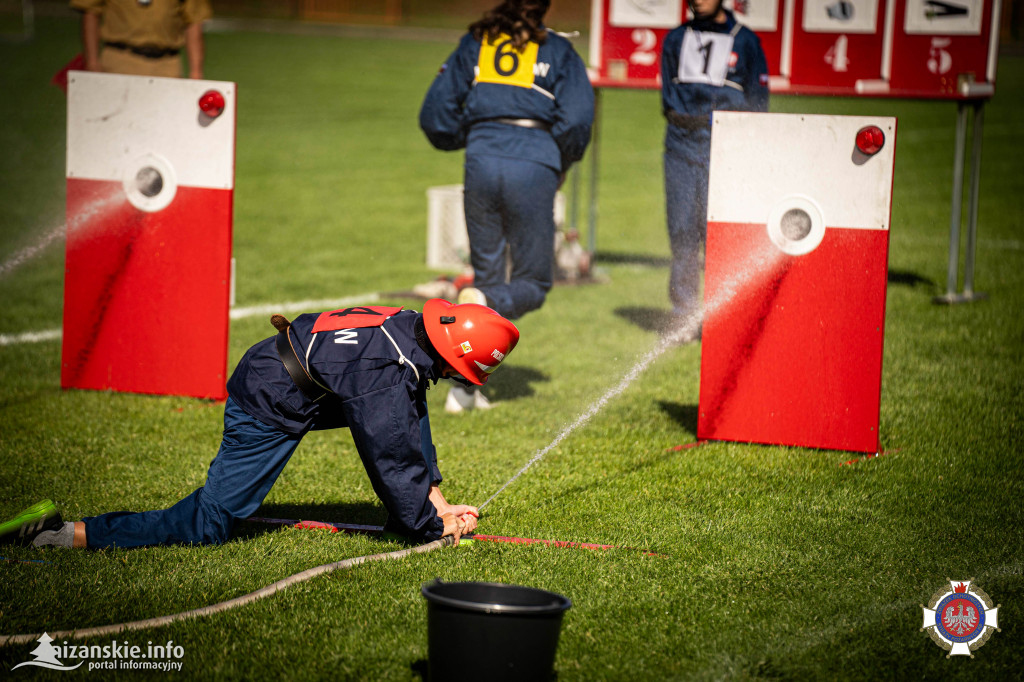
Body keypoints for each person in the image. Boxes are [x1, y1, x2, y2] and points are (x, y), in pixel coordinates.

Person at [0, 300, 519, 550]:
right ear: (455, 355)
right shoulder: (386, 373)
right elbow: (388, 453)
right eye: (467, 372)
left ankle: (65, 535)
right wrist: (429, 527)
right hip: (270, 396)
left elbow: (407, 418)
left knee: (402, 413)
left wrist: (436, 499)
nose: (463, 380)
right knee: (209, 524)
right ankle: (64, 535)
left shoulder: (410, 334)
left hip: (293, 372)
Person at [419, 0, 593, 412]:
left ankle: (463, 390)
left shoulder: (476, 42)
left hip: (480, 163)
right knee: (532, 284)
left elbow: (435, 114)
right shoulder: (560, 51)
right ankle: (480, 305)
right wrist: (558, 160)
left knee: (489, 275)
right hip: (533, 166)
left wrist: (479, 132)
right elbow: (578, 121)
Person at [660, 0, 769, 334]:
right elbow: (667, 97)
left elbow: (759, 103)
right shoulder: (676, 39)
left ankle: (724, 319)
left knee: (720, 234)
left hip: (726, 145)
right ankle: (685, 316)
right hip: (681, 144)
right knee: (682, 230)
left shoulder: (746, 40)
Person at [70, 0, 212, 79]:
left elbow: (194, 20)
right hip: (119, 60)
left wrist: (196, 71)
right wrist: (92, 61)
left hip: (167, 64)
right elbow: (90, 12)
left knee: (166, 124)